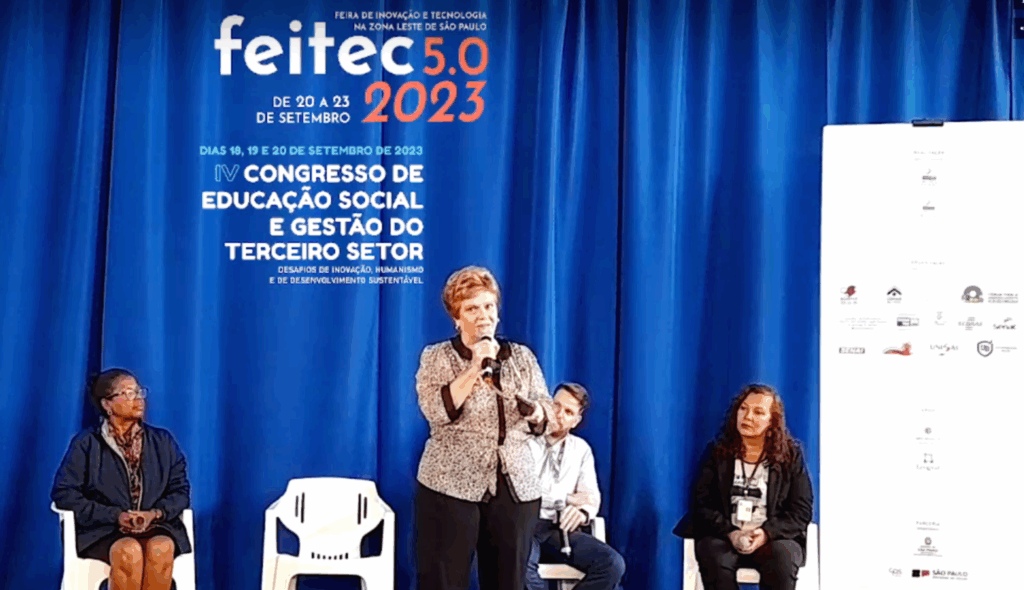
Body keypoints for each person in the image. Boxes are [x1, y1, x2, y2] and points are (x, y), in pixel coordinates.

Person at [415, 266, 553, 590]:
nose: (483, 315)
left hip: (515, 487)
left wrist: (536, 412)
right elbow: (436, 410)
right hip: (449, 485)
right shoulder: (437, 357)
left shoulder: (522, 357)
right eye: (471, 308)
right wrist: (475, 366)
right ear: (456, 318)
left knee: (509, 582)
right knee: (443, 582)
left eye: (488, 306)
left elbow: (546, 412)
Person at [52, 369, 192, 590]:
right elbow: (64, 493)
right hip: (103, 529)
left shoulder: (163, 441)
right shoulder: (86, 444)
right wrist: (116, 516)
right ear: (107, 404)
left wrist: (155, 514)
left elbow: (180, 491)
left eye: (138, 392)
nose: (137, 399)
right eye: (127, 393)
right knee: (128, 551)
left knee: (162, 548)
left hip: (156, 524)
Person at [682, 383, 813, 590]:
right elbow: (702, 504)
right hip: (724, 535)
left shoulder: (790, 457)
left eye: (758, 412)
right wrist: (732, 532)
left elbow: (800, 511)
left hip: (773, 538)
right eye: (743, 409)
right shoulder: (718, 453)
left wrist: (766, 533)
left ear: (772, 422)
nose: (747, 416)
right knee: (712, 555)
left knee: (783, 558)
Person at [524, 383, 625, 590]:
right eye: (556, 405)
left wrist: (582, 511)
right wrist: (567, 498)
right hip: (524, 525)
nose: (559, 414)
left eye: (568, 412)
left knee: (612, 565)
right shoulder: (525, 441)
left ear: (576, 421)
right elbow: (525, 490)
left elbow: (590, 497)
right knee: (522, 570)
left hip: (558, 528)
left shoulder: (581, 449)